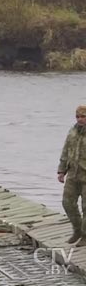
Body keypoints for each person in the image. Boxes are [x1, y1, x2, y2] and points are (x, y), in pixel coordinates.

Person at [58, 105, 86, 245]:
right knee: (67, 203)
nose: (80, 119)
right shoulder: (73, 131)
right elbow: (65, 151)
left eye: (83, 116)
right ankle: (77, 229)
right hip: (73, 175)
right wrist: (61, 171)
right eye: (78, 117)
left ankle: (85, 236)